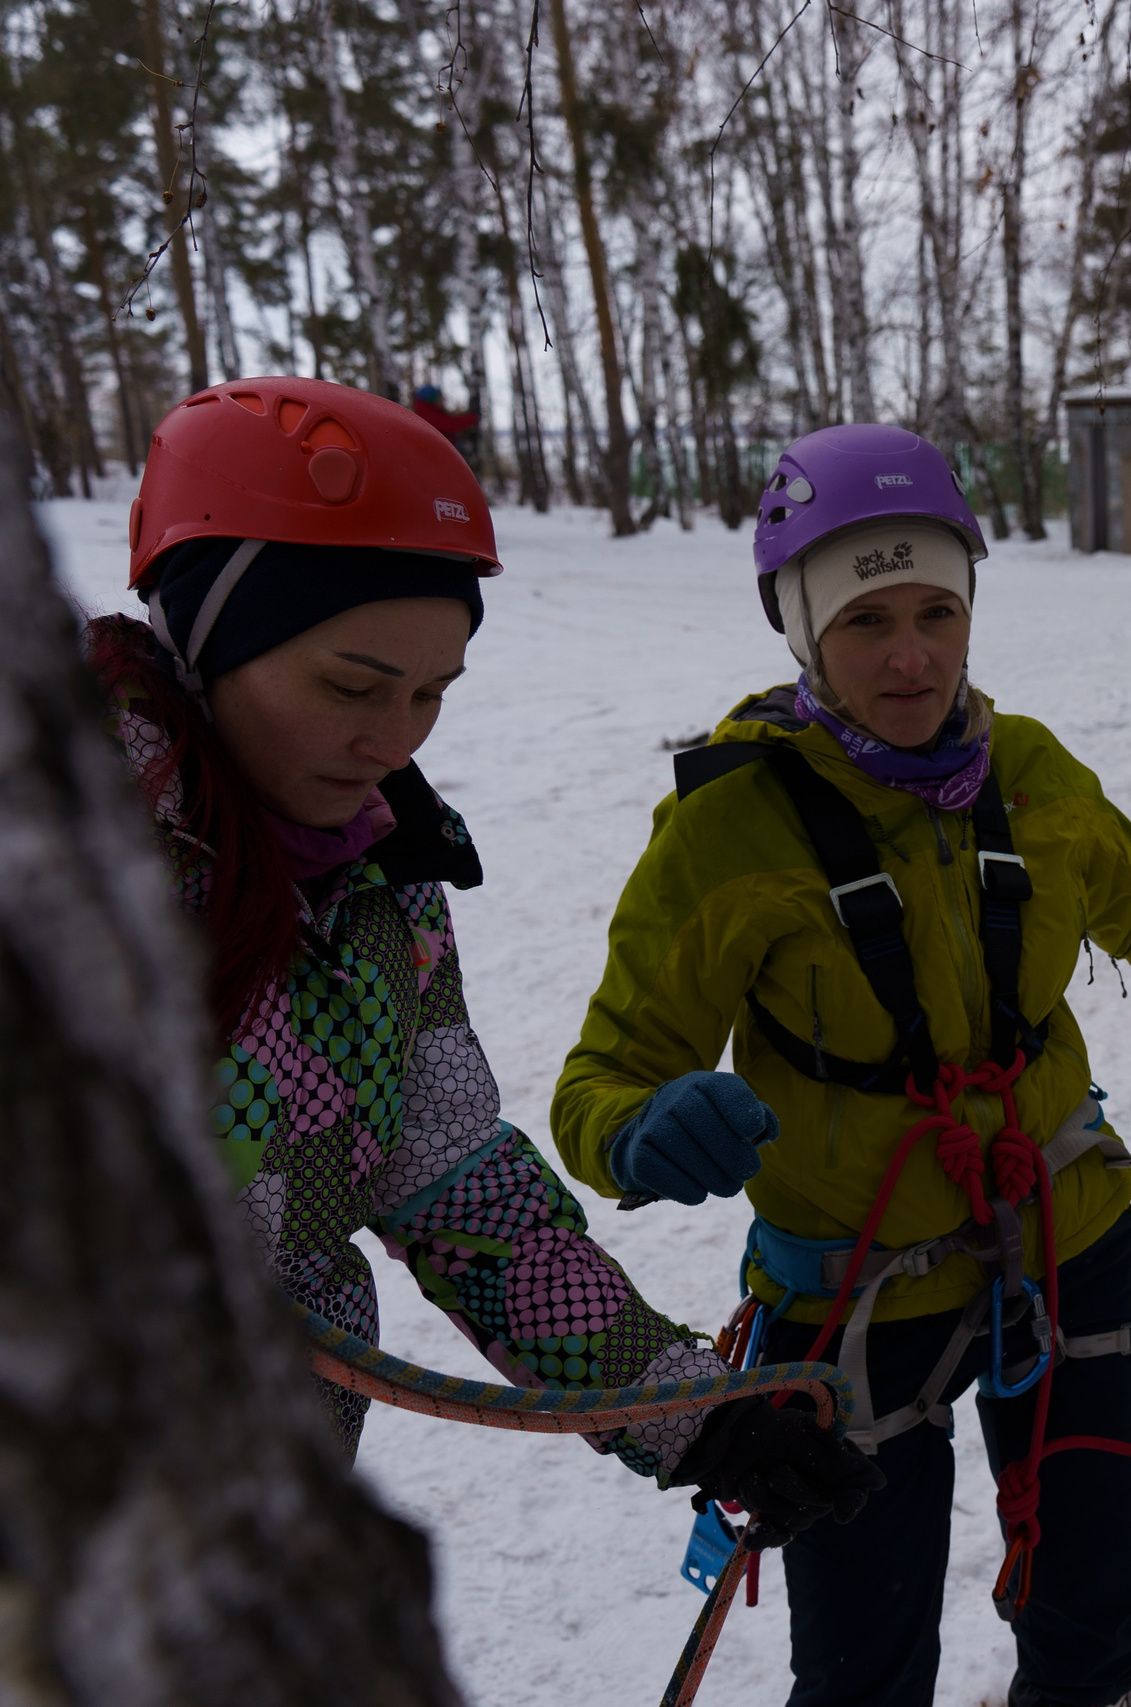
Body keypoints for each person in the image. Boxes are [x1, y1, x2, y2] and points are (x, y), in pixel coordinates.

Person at [550, 423, 1131, 1707]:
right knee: (863, 1670)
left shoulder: (1025, 771)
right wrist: (645, 1132)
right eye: (867, 620)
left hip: (1063, 1252)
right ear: (802, 631)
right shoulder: (726, 827)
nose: (912, 655)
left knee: (1091, 1628)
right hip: (850, 1305)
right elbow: (601, 1081)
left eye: (937, 611)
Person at [91, 376, 878, 1545]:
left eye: (431, 694)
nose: (394, 739)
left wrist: (694, 1420)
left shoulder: (377, 881)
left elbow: (462, 1190)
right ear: (208, 639)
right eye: (352, 686)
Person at [410, 383, 481, 462]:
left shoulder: (429, 412)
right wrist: (471, 419)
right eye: (440, 397)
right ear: (432, 399)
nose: (443, 400)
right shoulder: (427, 414)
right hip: (436, 458)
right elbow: (449, 425)